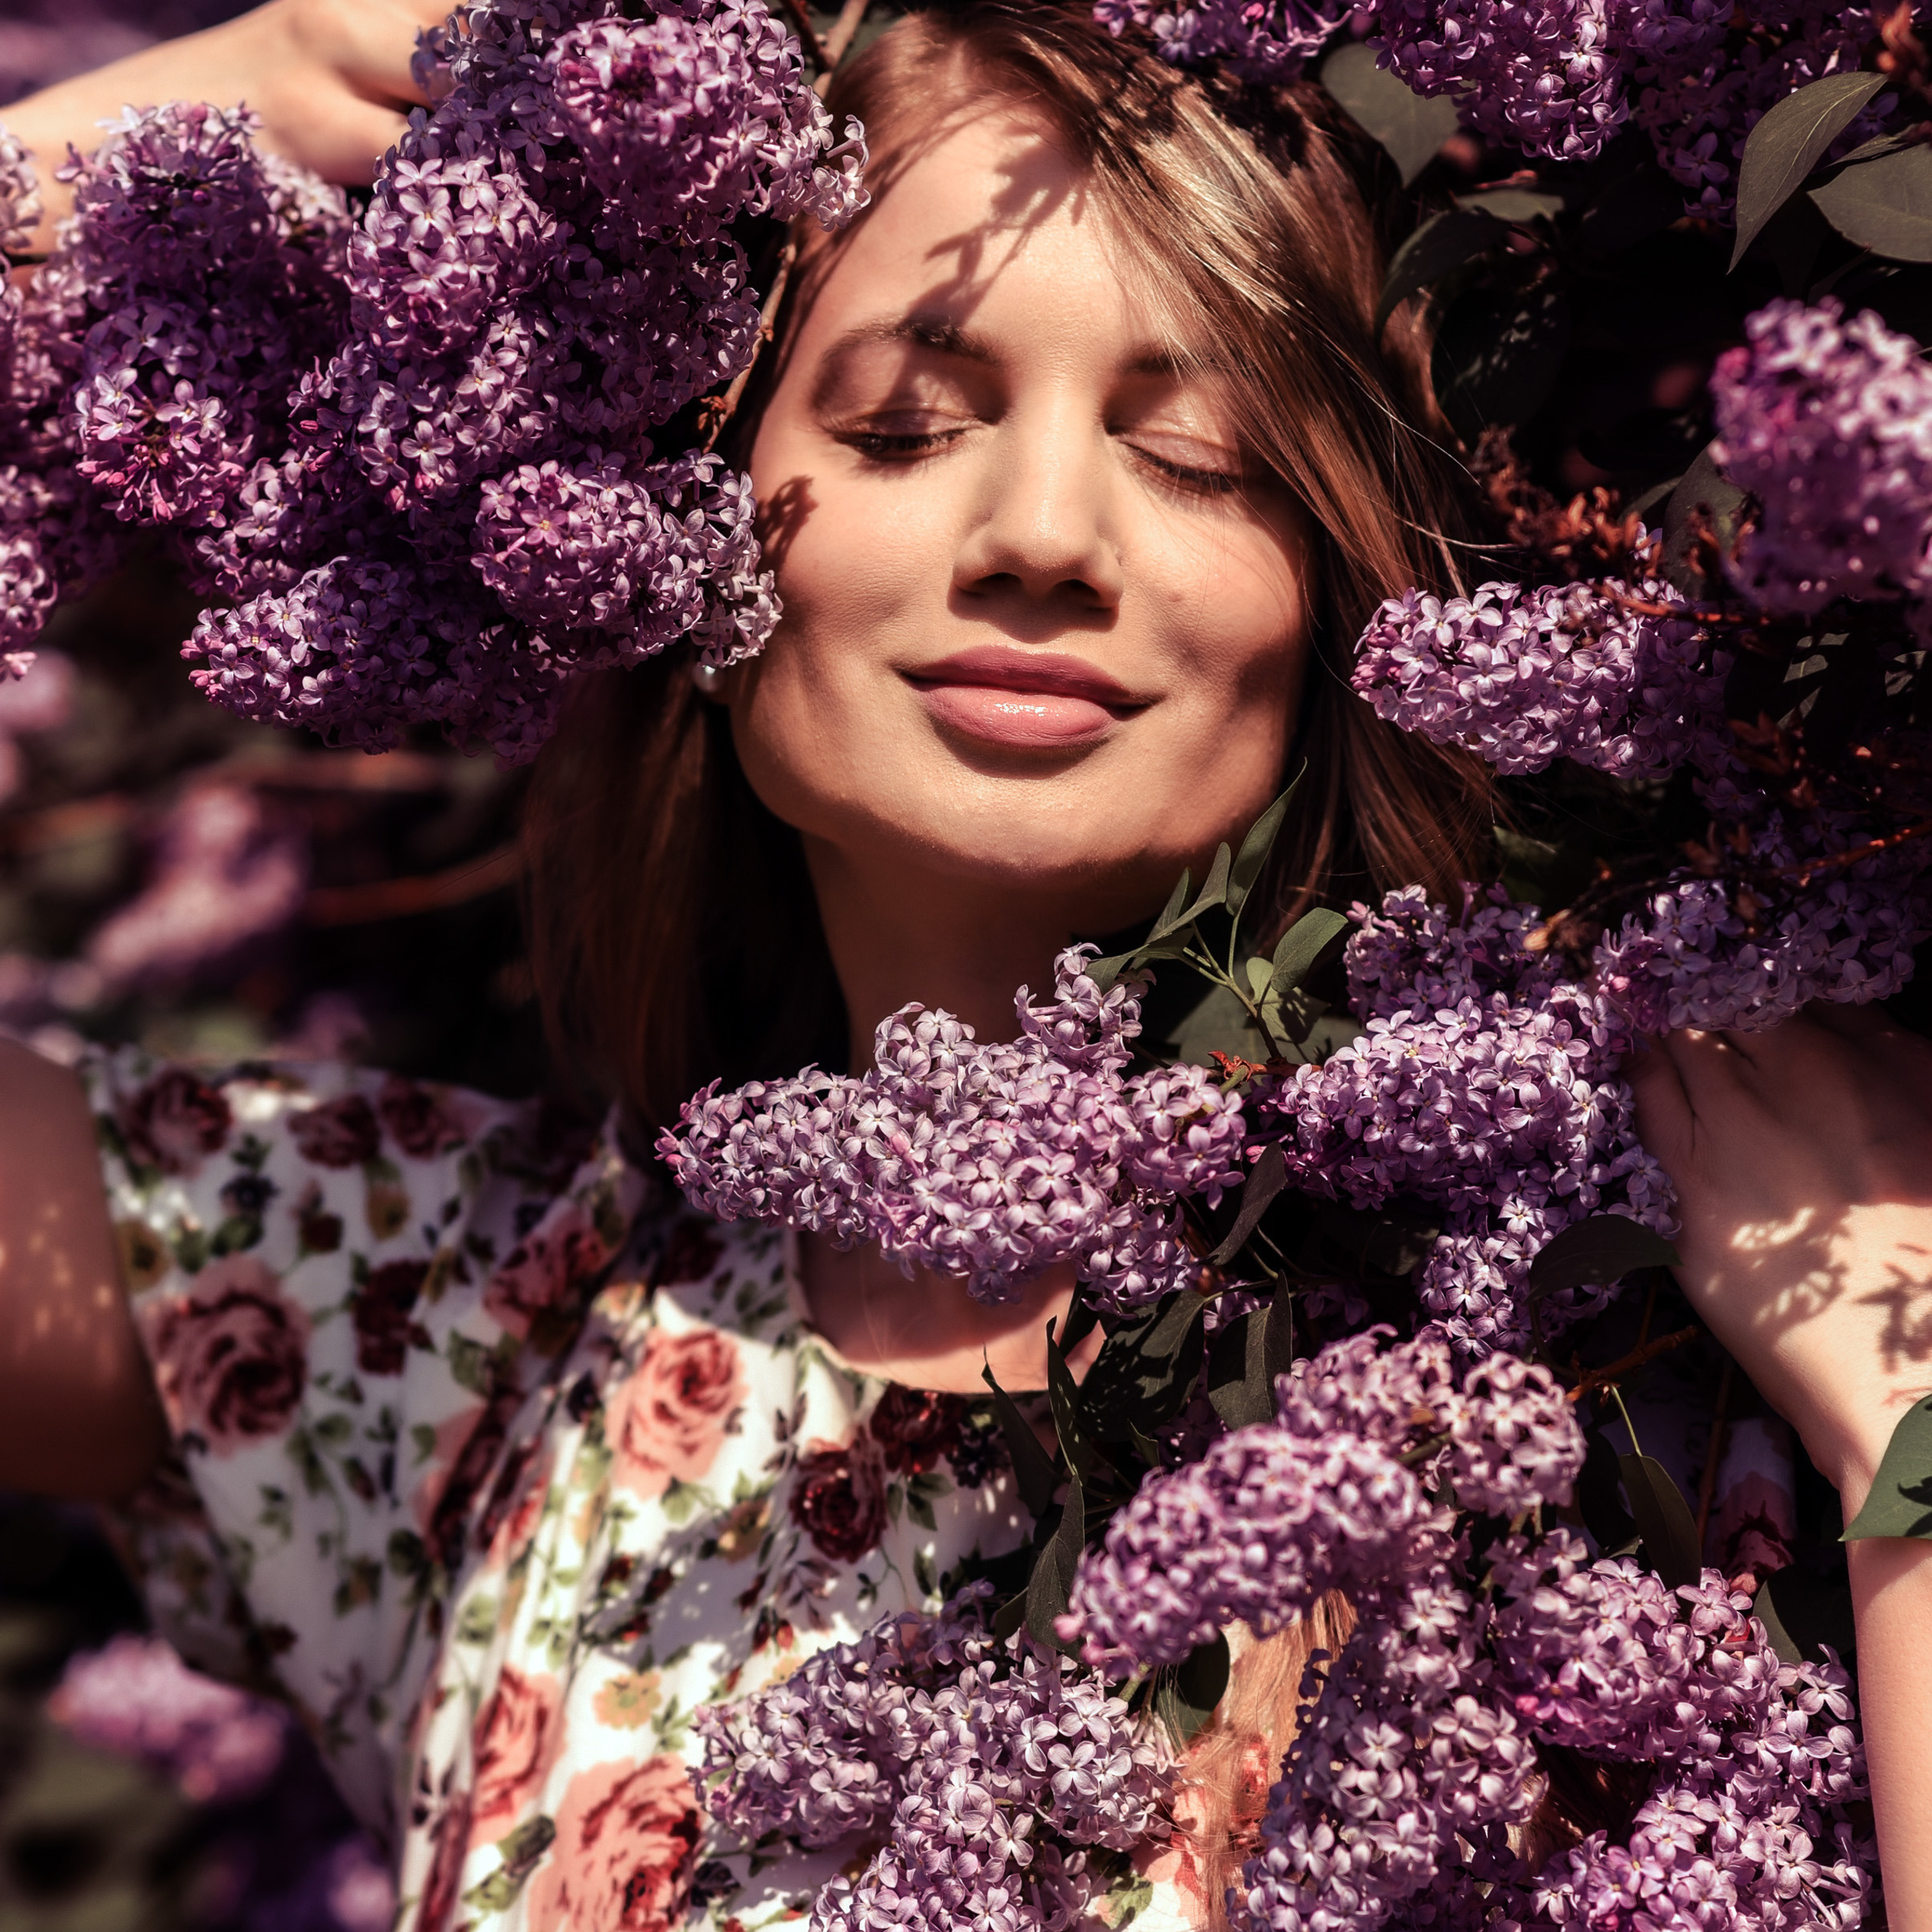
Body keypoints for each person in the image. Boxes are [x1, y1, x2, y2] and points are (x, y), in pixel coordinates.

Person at [0, 2, 1928, 1927]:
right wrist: (114, 173)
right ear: (692, 532)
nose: (1041, 533)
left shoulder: (1623, 1341)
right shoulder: (444, 1339)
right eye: (907, 425)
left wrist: (1899, 1404)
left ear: (1338, 583)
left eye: (1196, 456)